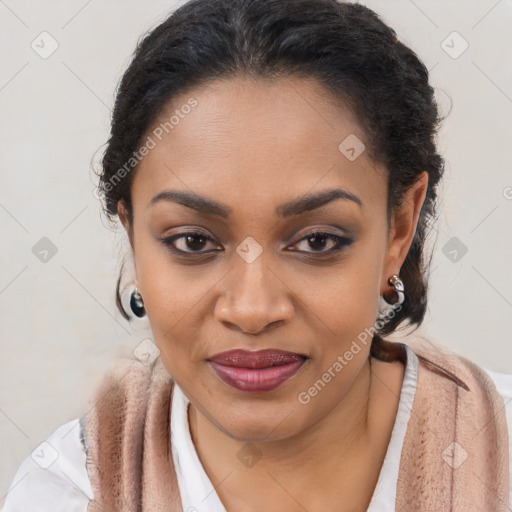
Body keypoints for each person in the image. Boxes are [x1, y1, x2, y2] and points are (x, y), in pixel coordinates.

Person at [3, 0, 511, 511]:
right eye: (193, 241)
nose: (251, 310)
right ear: (134, 236)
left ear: (399, 229)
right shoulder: (66, 493)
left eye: (317, 241)